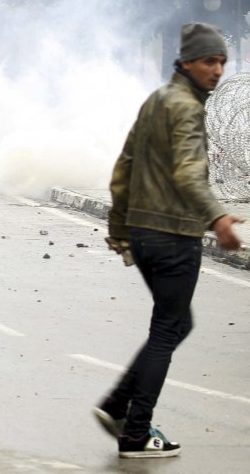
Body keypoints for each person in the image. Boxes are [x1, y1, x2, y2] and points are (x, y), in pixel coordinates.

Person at [96, 23, 243, 459]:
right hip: (173, 235)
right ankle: (135, 432)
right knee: (167, 330)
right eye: (208, 61)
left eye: (221, 62)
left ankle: (117, 404)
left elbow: (123, 167)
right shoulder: (186, 109)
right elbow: (188, 173)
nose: (216, 70)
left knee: (176, 324)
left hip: (144, 234)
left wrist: (121, 228)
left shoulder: (156, 99)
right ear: (185, 63)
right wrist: (217, 217)